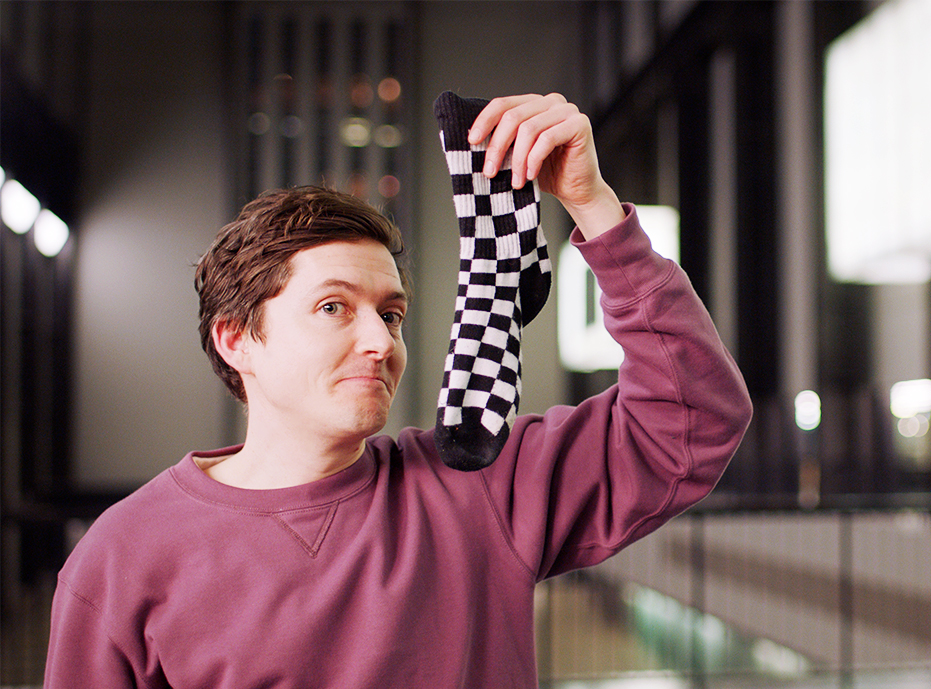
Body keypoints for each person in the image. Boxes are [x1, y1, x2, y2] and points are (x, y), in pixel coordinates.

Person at [44, 94, 752, 688]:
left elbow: (693, 419)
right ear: (236, 338)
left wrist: (592, 206)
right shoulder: (124, 557)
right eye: (333, 307)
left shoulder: (480, 487)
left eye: (391, 313)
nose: (382, 342)